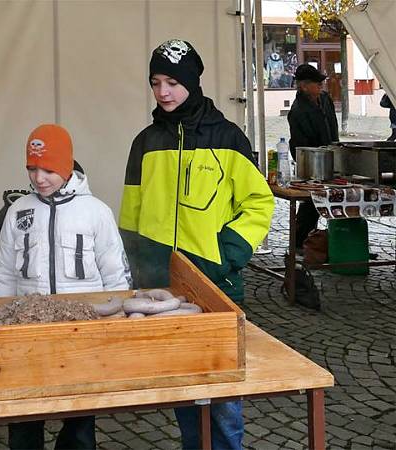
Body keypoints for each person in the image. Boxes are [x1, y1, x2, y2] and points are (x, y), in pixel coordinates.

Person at [119, 39, 274, 450]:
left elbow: (259, 204)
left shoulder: (229, 138)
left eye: (172, 82)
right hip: (161, 292)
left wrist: (225, 256)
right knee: (183, 390)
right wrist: (137, 269)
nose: (163, 92)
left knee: (222, 400)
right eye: (156, 83)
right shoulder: (145, 142)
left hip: (216, 285)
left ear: (192, 81)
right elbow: (131, 216)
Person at [0, 124, 131, 450]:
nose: (39, 178)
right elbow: (3, 273)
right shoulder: (18, 211)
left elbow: (116, 274)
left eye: (49, 169)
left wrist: (119, 322)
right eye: (32, 169)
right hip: (27, 330)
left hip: (83, 329)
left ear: (67, 166)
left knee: (81, 415)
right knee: (25, 413)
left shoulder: (96, 212)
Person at [287, 63, 339, 249]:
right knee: (311, 202)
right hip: (311, 161)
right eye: (317, 84)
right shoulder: (298, 111)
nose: (320, 87)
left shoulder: (324, 99)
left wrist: (336, 148)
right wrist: (312, 166)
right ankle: (299, 243)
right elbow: (301, 144)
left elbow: (332, 126)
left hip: (331, 154)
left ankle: (336, 242)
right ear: (303, 86)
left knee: (335, 200)